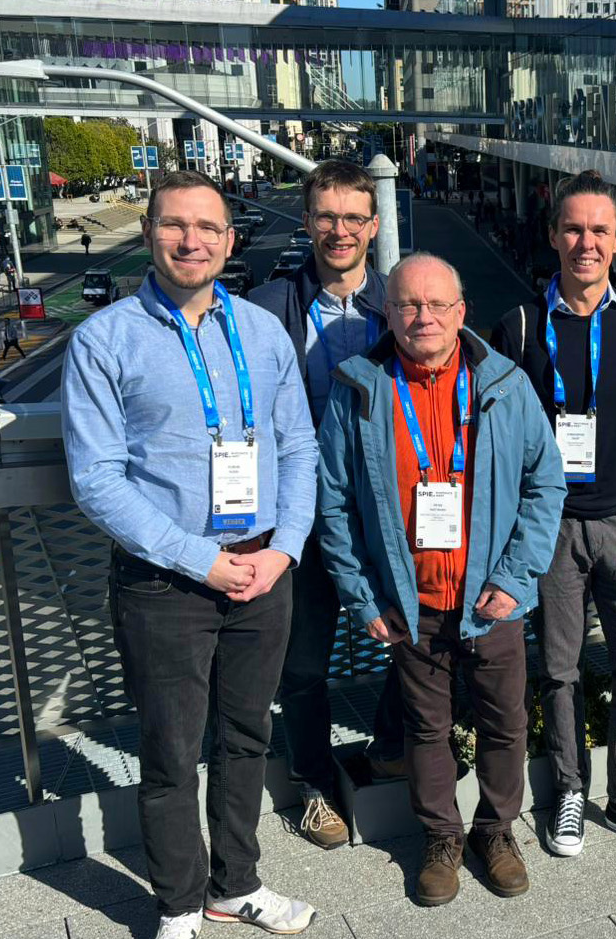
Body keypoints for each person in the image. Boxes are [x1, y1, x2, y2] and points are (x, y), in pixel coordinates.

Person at [61, 169, 319, 939]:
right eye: (176, 225)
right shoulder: (105, 340)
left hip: (264, 569)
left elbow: (300, 449)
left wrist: (285, 550)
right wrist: (195, 556)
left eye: (208, 227)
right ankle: (175, 905)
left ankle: (234, 885)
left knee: (246, 736)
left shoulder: (261, 332)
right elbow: (96, 478)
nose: (192, 240)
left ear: (229, 240)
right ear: (149, 234)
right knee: (172, 750)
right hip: (165, 581)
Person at [317, 253, 564, 907]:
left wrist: (517, 575)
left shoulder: (504, 385)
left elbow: (546, 483)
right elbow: (334, 502)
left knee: (506, 722)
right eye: (406, 304)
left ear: (461, 312)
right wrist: (361, 595)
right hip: (411, 601)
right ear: (387, 311)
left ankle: (496, 830)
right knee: (425, 729)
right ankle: (441, 838)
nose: (422, 316)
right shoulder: (359, 389)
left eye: (436, 304)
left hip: (493, 599)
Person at [491, 171, 616, 860]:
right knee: (563, 666)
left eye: (599, 230)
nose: (586, 242)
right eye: (573, 228)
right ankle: (571, 787)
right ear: (552, 236)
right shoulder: (517, 325)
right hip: (547, 525)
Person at [248, 159, 393, 850]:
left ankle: (390, 753)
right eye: (327, 217)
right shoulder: (269, 307)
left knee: (416, 647)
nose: (340, 231)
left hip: (383, 521)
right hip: (297, 521)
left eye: (354, 218)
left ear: (373, 224)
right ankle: (310, 782)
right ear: (307, 222)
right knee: (301, 664)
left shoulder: (398, 307)